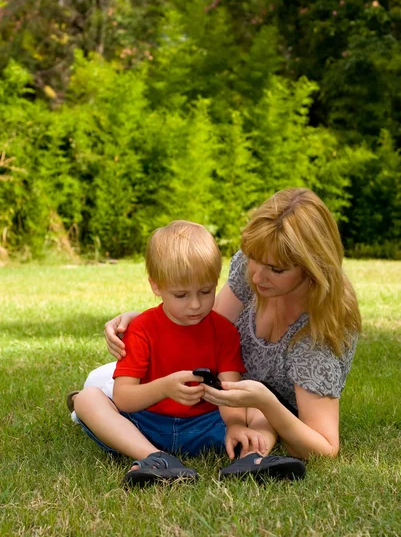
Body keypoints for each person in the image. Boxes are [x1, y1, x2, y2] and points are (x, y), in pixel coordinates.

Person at [103, 188, 361, 478]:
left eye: (276, 270)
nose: (257, 276)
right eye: (253, 258)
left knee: (104, 391)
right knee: (98, 388)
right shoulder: (256, 263)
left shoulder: (319, 334)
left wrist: (264, 401)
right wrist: (143, 321)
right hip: (209, 387)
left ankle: (250, 460)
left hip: (248, 407)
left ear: (312, 269)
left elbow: (326, 447)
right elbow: (204, 324)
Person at [71, 220, 302, 487]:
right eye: (181, 295)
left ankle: (250, 458)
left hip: (208, 426)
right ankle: (156, 459)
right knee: (87, 399)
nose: (195, 305)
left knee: (263, 400)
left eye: (205, 292)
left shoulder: (224, 332)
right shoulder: (142, 329)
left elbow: (231, 391)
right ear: (156, 286)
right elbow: (123, 398)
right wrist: (164, 388)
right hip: (146, 427)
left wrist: (237, 425)